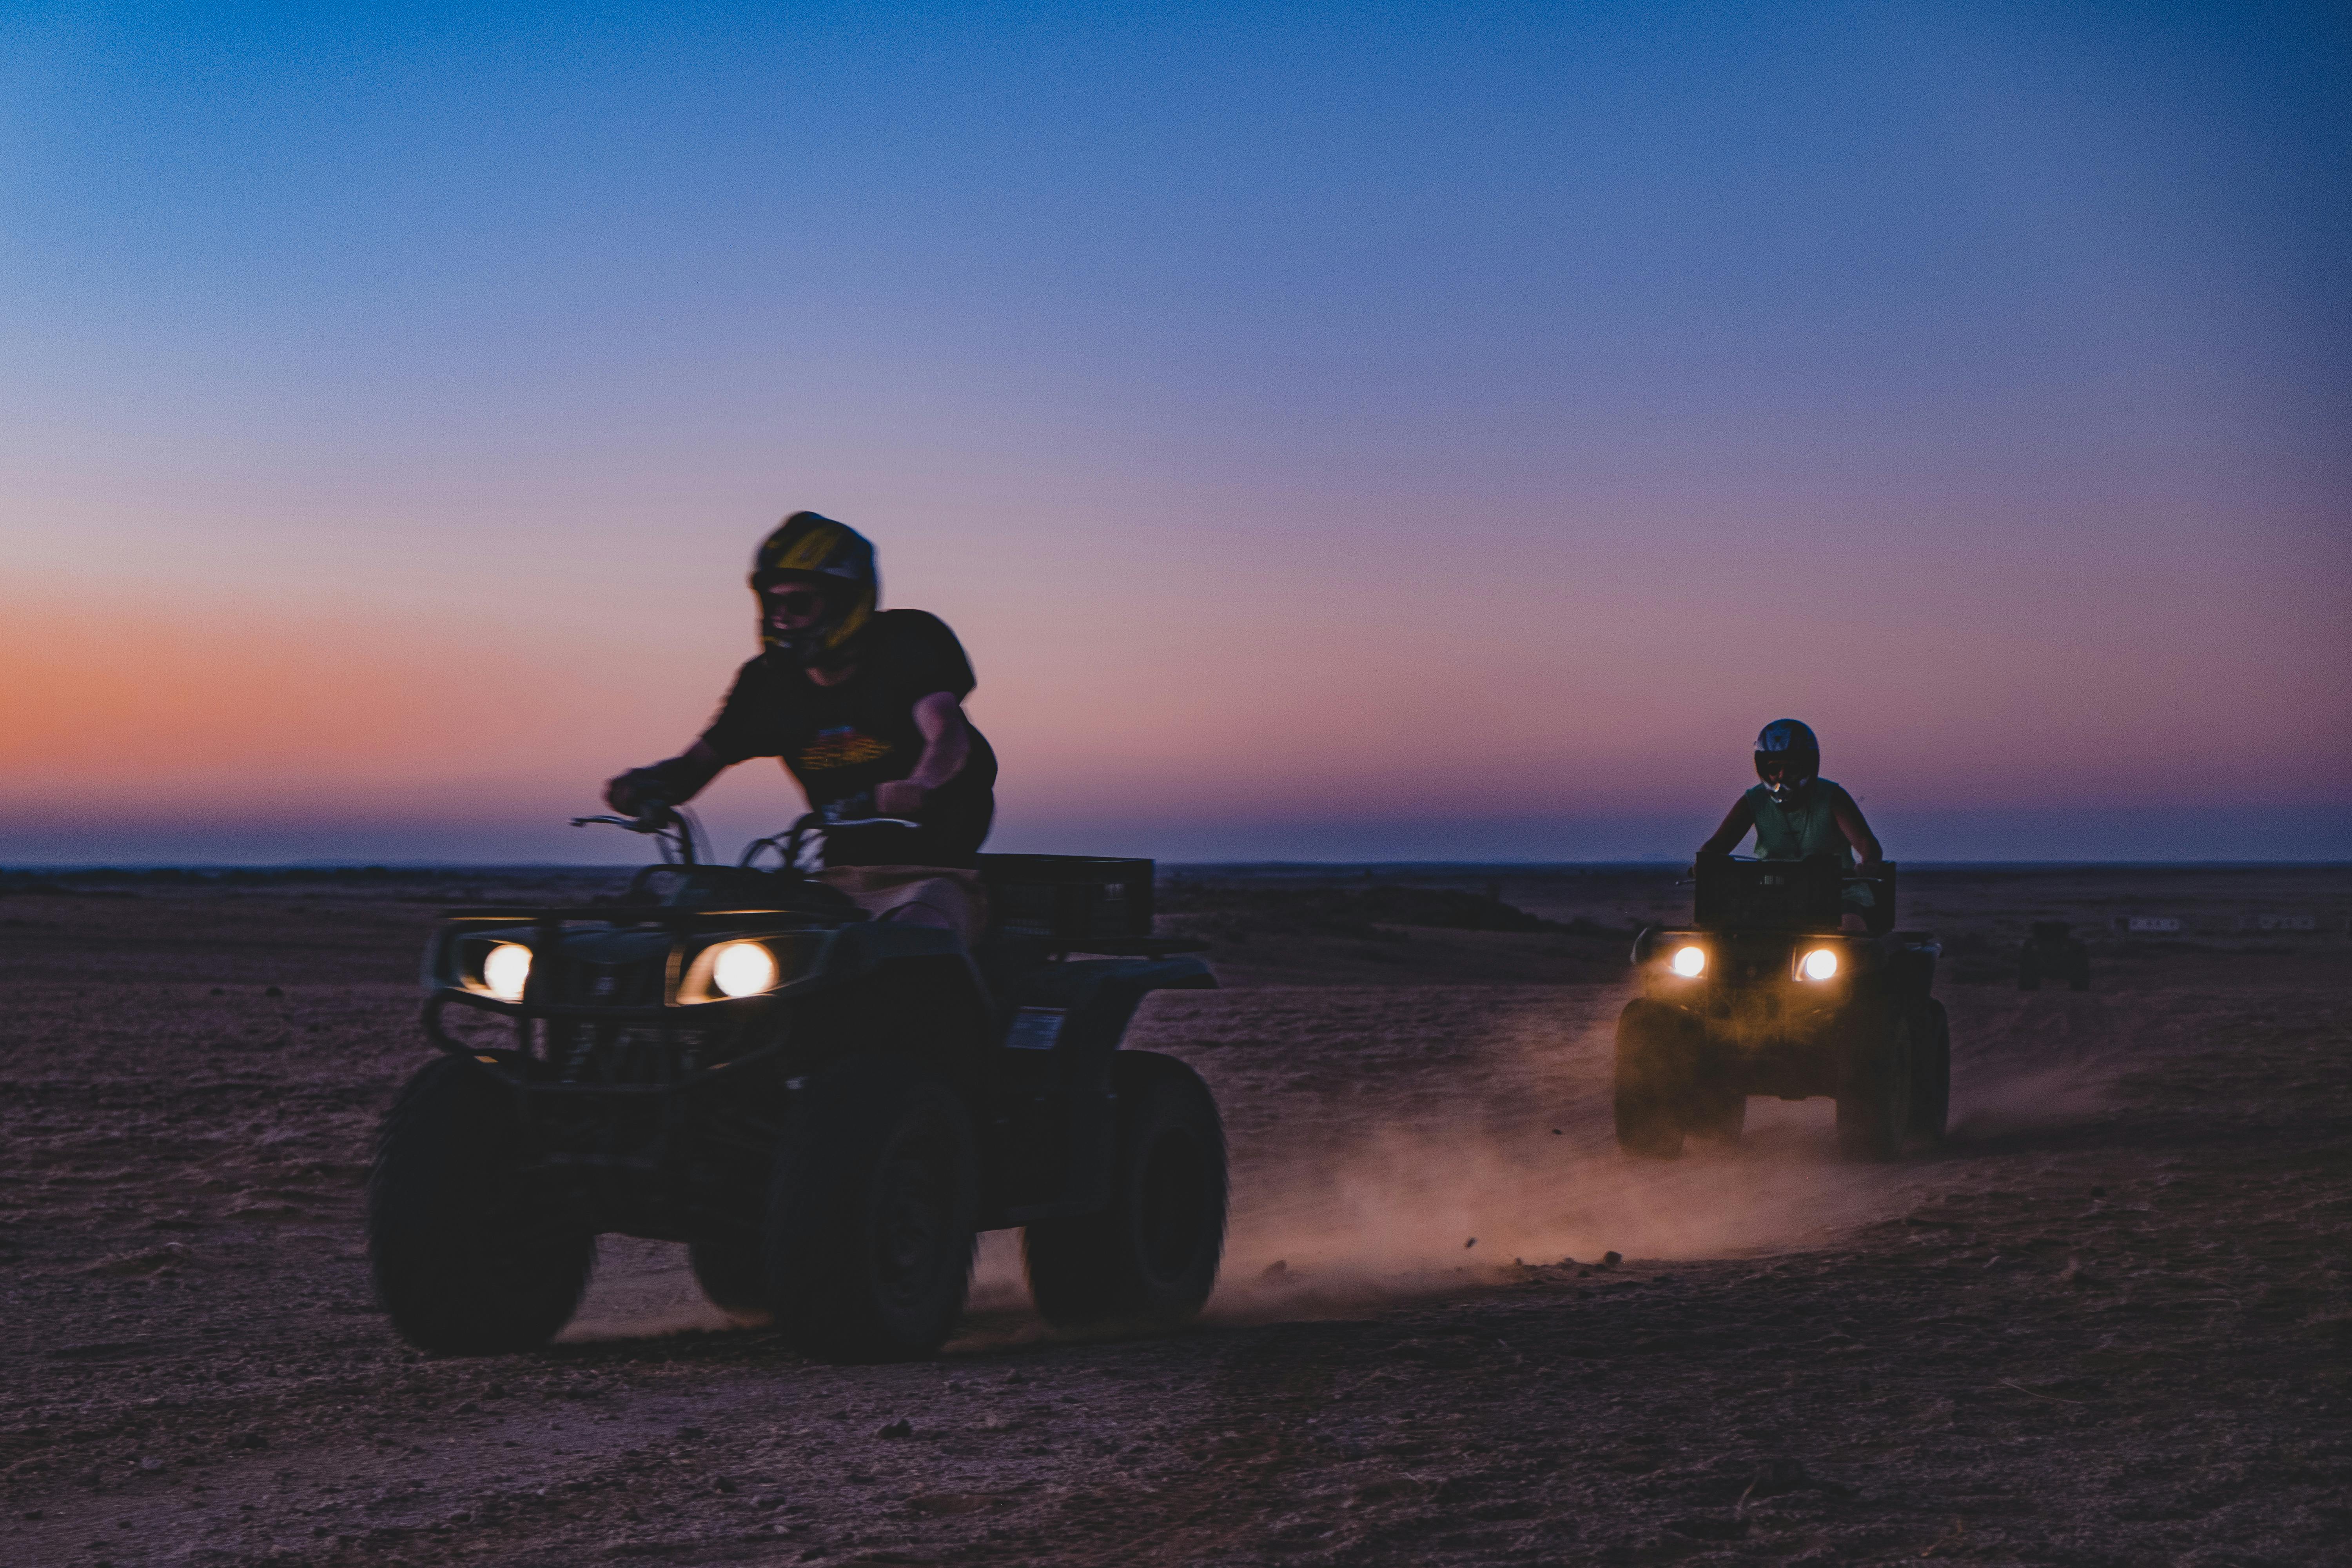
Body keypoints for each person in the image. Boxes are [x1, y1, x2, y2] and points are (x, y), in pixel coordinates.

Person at [604, 512, 996, 935]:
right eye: (773, 603)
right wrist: (646, 785)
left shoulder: (907, 644)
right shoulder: (767, 684)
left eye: (799, 603)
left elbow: (947, 734)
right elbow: (694, 767)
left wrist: (923, 785)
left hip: (932, 878)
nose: (782, 618)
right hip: (833, 882)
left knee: (909, 939)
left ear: (848, 601)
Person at [1697, 719, 1884, 933]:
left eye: (1792, 768)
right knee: (1715, 931)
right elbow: (1718, 845)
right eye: (1774, 768)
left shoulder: (1833, 797)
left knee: (1850, 929)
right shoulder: (1754, 800)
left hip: (1837, 891)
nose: (1782, 776)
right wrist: (1704, 862)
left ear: (1808, 767)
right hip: (1771, 891)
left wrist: (1868, 863)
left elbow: (1865, 842)